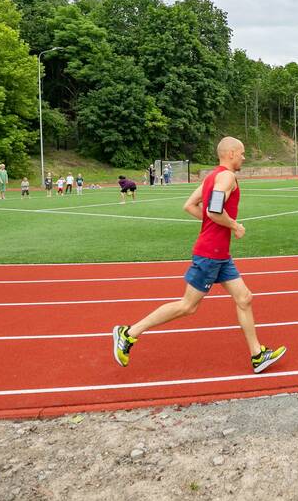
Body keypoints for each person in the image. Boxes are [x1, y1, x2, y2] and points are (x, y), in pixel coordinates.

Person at [113, 137, 286, 374]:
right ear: (231, 153)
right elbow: (214, 210)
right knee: (187, 306)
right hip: (210, 253)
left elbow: (190, 205)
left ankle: (257, 355)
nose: (244, 158)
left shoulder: (211, 177)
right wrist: (234, 225)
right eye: (242, 153)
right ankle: (129, 333)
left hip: (220, 254)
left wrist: (218, 223)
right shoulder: (227, 177)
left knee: (244, 298)